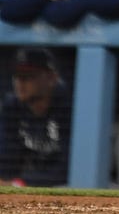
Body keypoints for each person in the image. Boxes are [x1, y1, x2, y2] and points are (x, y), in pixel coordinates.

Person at [0, 48, 72, 186]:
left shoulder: (69, 106)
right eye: (17, 76)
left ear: (52, 78)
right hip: (31, 182)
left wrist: (22, 183)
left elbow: (70, 165)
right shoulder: (12, 106)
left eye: (28, 76)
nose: (20, 83)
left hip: (67, 184)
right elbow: (6, 156)